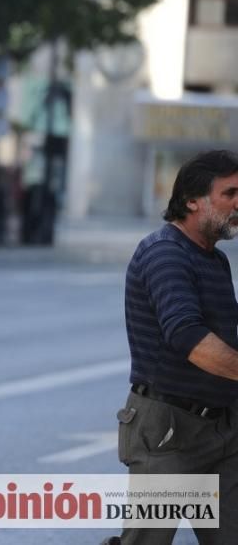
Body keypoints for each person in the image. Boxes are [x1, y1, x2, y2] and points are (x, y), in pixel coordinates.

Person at [104, 150, 238, 545]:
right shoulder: (165, 253)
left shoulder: (213, 259)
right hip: (169, 431)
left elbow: (226, 328)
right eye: (229, 194)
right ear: (193, 200)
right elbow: (188, 339)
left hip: (222, 430)